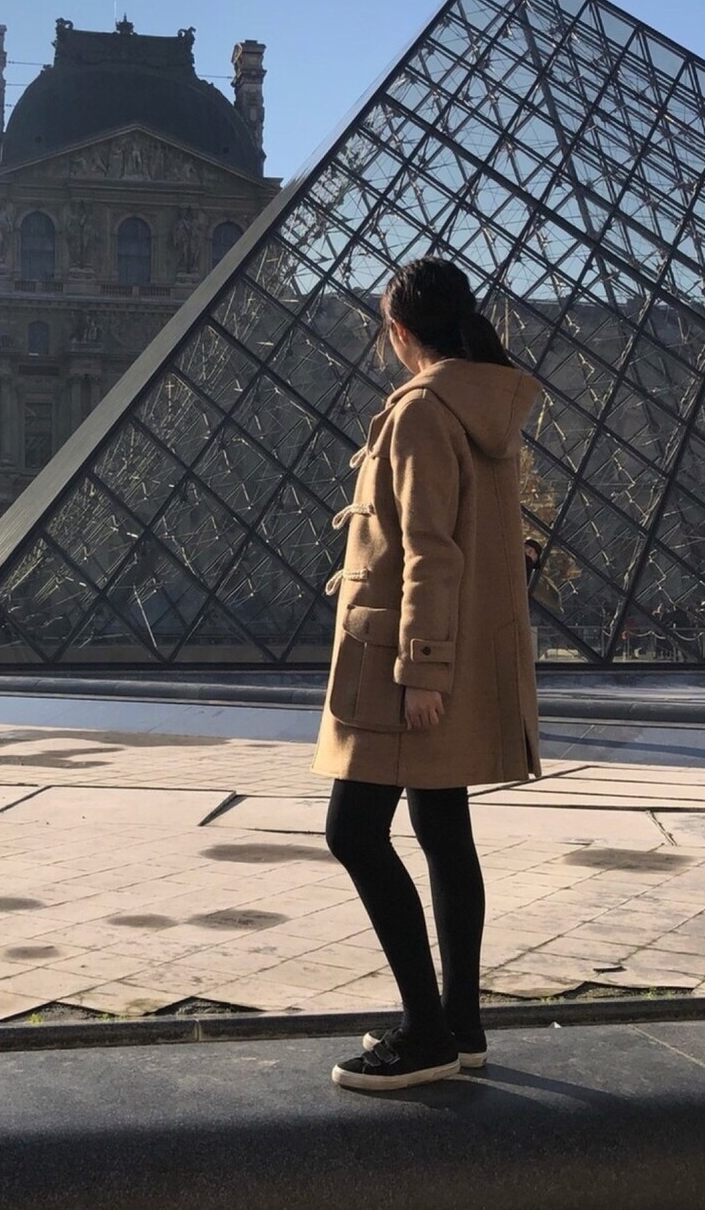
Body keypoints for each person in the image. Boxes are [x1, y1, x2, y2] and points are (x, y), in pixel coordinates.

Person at [313, 257, 542, 1091]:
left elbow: (428, 552)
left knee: (352, 832)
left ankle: (425, 1033)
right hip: (446, 649)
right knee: (444, 832)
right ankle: (462, 1024)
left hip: (401, 661)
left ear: (400, 331)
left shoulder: (420, 409)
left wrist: (421, 670)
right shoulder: (484, 403)